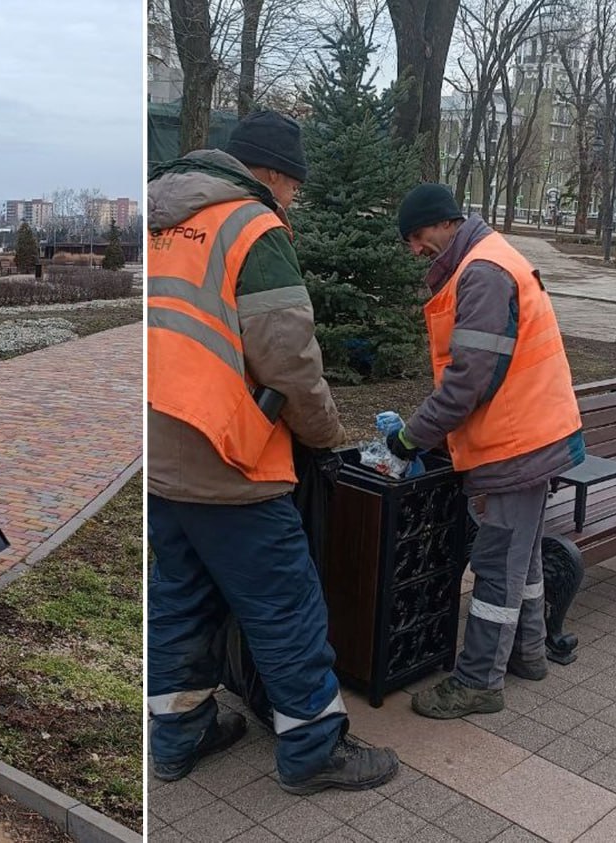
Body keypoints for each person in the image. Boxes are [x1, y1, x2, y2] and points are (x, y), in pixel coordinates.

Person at [147, 110, 400, 794]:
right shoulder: (251, 227)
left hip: (162, 454)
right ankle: (315, 748)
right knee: (285, 603)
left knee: (180, 598)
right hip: (232, 459)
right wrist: (324, 435)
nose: (292, 200)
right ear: (274, 175)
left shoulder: (160, 222)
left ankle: (178, 734)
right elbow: (288, 358)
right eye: (293, 187)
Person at [387, 183, 585, 719]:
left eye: (417, 236)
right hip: (529, 434)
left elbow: (467, 381)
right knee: (520, 555)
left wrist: (410, 437)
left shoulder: (483, 272)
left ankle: (478, 681)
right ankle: (529, 654)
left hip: (516, 442)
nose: (414, 249)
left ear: (442, 223)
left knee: (497, 563)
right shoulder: (487, 258)